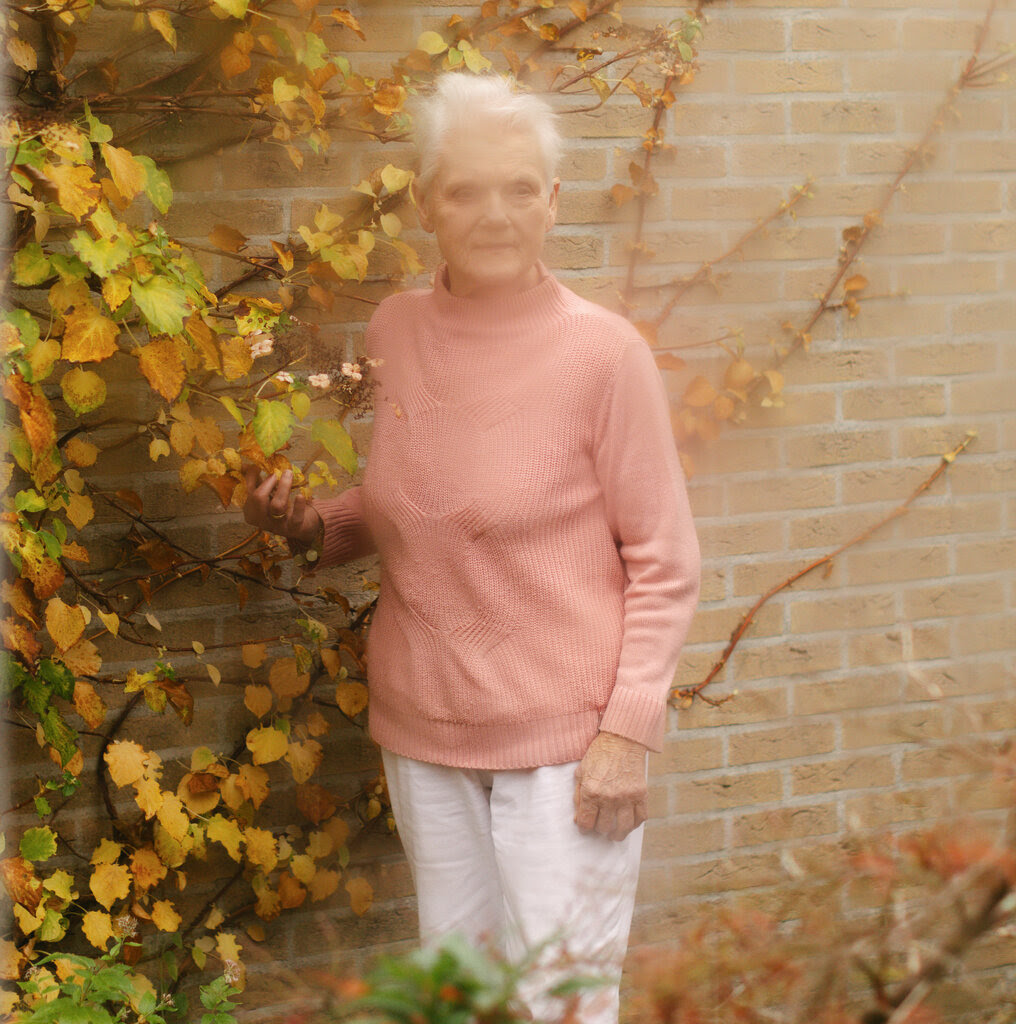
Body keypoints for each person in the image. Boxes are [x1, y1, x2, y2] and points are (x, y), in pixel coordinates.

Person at [244, 73, 700, 1024]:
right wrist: (313, 526)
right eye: (465, 190)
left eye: (520, 188)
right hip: (425, 733)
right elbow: (413, 497)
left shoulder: (604, 354)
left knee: (559, 1004)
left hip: (564, 750)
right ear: (425, 203)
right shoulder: (397, 330)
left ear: (553, 201)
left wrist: (627, 733)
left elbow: (664, 561)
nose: (495, 213)